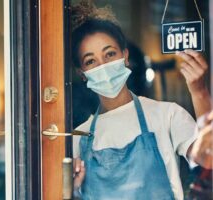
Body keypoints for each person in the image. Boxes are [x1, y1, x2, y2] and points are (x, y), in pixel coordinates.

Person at [71, 2, 211, 200]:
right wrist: (73, 191)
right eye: (90, 61)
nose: (103, 66)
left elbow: (209, 160)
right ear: (82, 74)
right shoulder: (78, 138)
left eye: (110, 53)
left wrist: (200, 92)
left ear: (125, 56)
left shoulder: (167, 115)